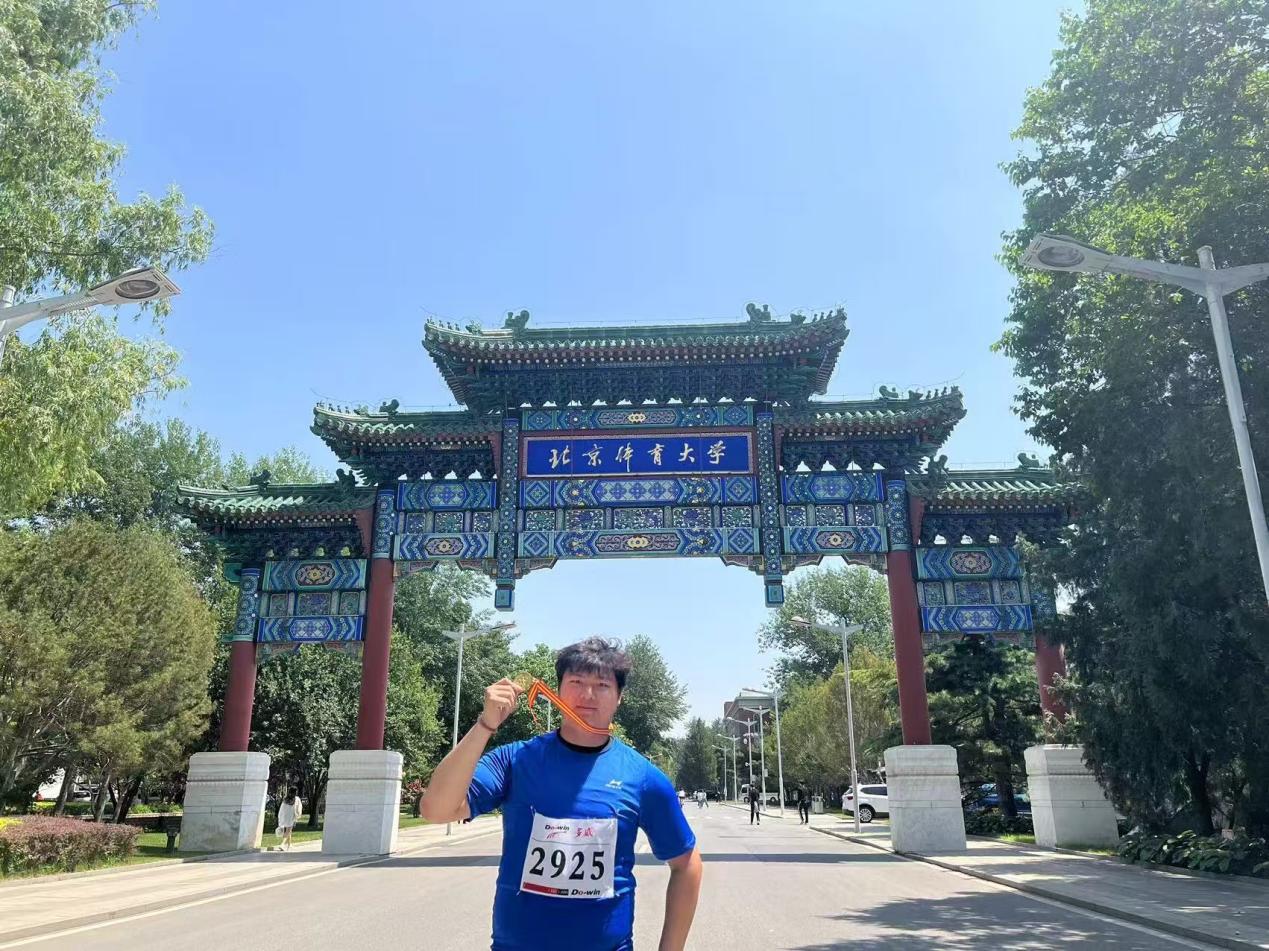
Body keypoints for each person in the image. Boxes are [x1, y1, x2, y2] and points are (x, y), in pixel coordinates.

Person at [420, 637, 703, 951]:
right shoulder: (516, 760)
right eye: (576, 682)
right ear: (557, 690)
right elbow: (436, 809)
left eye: (602, 685)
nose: (587, 694)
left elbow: (687, 864)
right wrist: (486, 724)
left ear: (619, 697)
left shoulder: (642, 777)